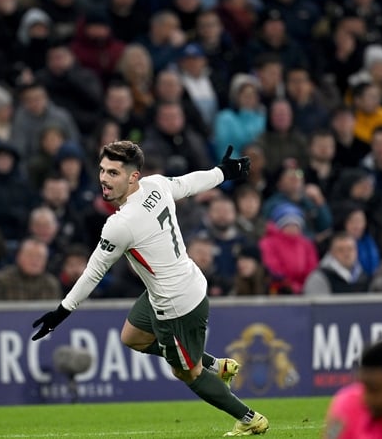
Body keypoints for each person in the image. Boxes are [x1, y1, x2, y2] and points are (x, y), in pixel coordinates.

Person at [30, 141, 269, 436]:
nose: (104, 178)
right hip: (178, 283)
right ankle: (217, 365)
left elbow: (94, 272)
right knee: (132, 337)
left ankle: (249, 418)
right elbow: (189, 183)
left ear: (133, 177)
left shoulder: (120, 224)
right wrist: (222, 173)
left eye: (114, 173)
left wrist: (61, 312)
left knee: (187, 372)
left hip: (175, 304)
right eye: (103, 170)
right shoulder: (155, 185)